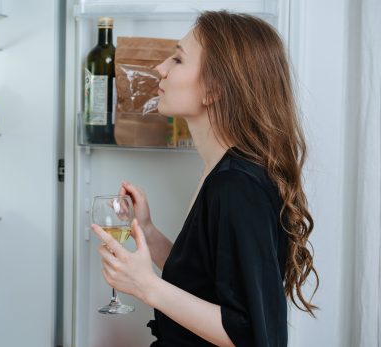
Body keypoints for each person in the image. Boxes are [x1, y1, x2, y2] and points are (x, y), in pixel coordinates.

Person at [91, 10, 319, 347]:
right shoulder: (221, 173)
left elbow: (250, 333)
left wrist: (145, 286)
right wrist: (149, 231)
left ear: (214, 89)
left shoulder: (236, 186)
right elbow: (207, 283)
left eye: (178, 59)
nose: (160, 68)